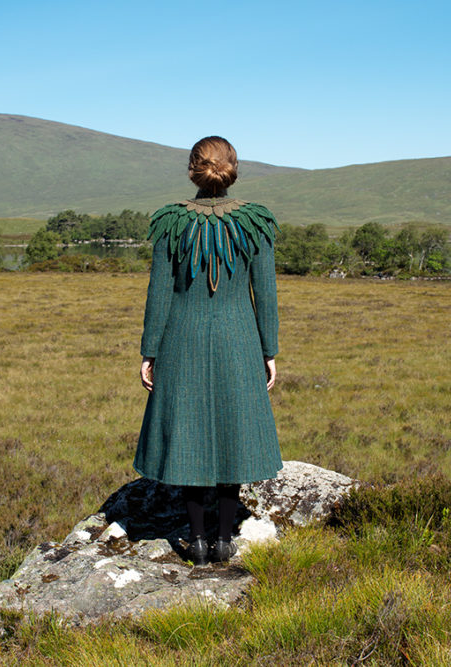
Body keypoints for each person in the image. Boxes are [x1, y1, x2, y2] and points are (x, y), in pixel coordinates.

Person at [134, 136, 282, 565]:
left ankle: (196, 541)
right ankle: (223, 540)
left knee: (191, 433)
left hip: (182, 339)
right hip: (239, 340)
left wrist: (150, 351)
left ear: (192, 170)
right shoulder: (256, 222)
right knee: (231, 432)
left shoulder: (170, 222)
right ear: (233, 166)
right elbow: (266, 296)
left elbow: (158, 295)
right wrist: (268, 349)